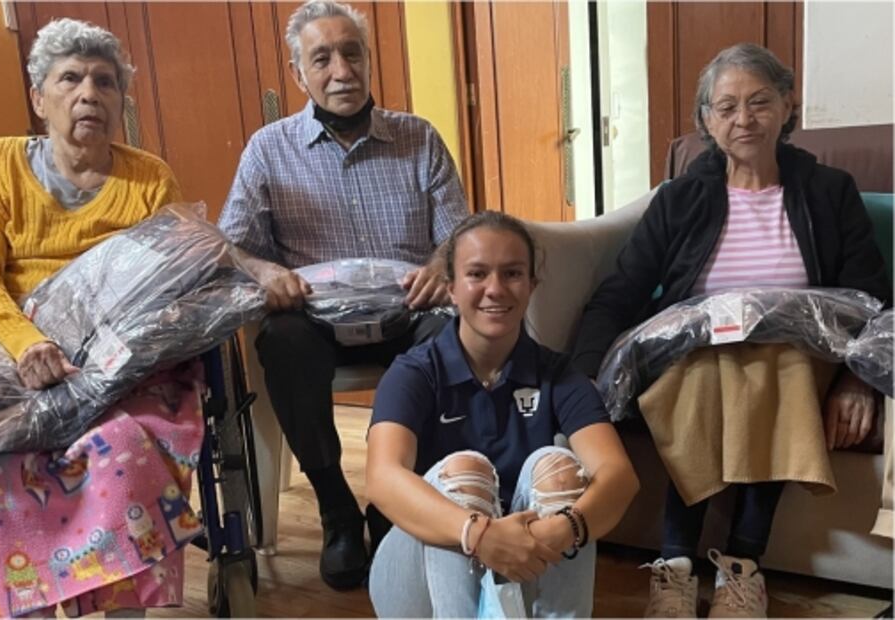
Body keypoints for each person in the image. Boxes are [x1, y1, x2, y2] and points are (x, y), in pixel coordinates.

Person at [0, 19, 199, 617]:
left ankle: (119, 607)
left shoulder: (149, 178)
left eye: (106, 82)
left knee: (118, 444)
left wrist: (107, 359)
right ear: (38, 98)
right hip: (14, 350)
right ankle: (20, 604)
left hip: (119, 360)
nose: (90, 94)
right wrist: (25, 341)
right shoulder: (0, 162)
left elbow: (170, 282)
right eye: (71, 79)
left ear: (120, 101)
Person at [572, 43, 891, 618]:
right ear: (706, 122)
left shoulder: (829, 191)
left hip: (803, 358)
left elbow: (870, 298)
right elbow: (619, 292)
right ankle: (682, 569)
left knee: (776, 361)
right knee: (709, 363)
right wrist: (584, 378)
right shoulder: (681, 200)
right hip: (699, 357)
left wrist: (857, 380)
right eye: (726, 107)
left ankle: (736, 567)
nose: (744, 119)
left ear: (788, 107)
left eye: (760, 101)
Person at [217, 0, 468, 590]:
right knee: (280, 340)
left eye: (351, 53)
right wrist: (265, 273)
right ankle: (335, 507)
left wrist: (440, 263)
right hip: (316, 323)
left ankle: (395, 499)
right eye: (322, 58)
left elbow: (460, 232)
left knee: (456, 334)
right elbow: (232, 246)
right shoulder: (267, 150)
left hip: (408, 311)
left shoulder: (419, 137)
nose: (341, 71)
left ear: (369, 60)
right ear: (297, 73)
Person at [366, 211, 639, 617]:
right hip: (418, 581)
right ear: (451, 289)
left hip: (524, 560)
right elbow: (382, 479)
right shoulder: (415, 371)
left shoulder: (557, 374)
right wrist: (477, 534)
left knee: (559, 468)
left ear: (532, 285)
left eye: (512, 273)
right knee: (464, 472)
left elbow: (619, 478)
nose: (495, 289)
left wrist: (566, 527)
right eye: (477, 274)